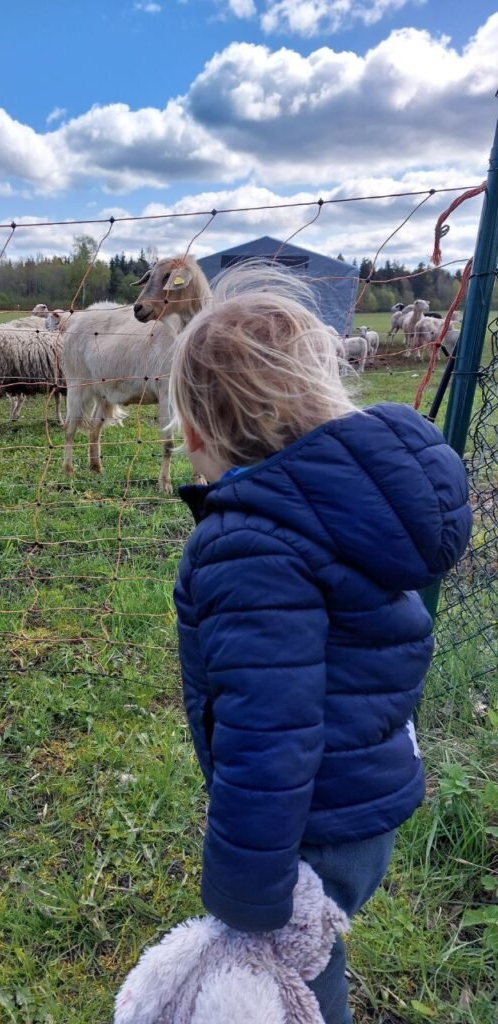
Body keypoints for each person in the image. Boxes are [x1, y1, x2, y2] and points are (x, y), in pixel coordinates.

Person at [168, 264, 472, 1024]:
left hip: (311, 823)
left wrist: (248, 892)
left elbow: (269, 732)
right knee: (323, 929)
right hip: (370, 796)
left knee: (294, 961)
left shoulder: (250, 547)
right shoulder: (351, 512)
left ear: (201, 431)